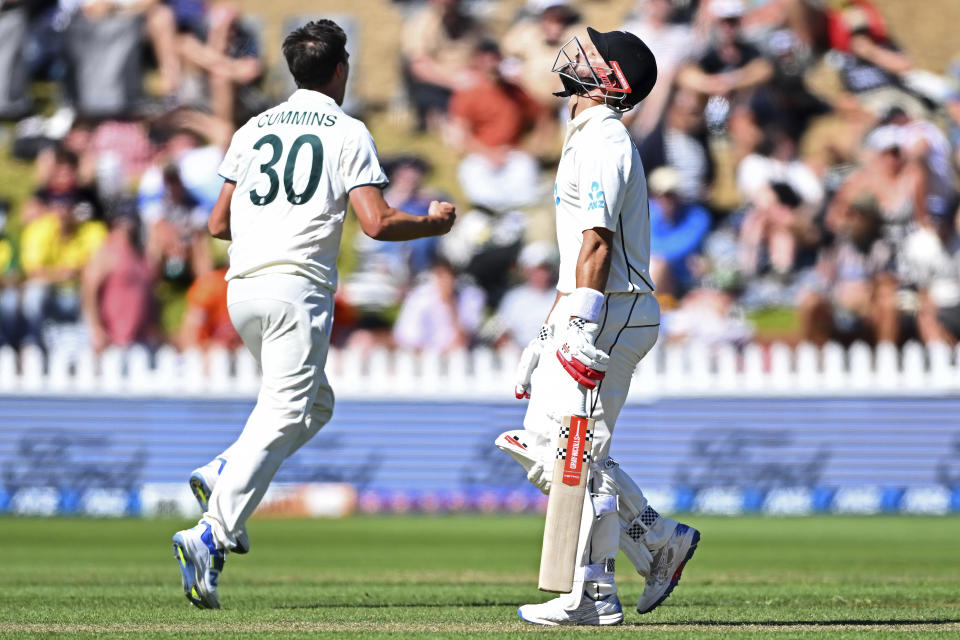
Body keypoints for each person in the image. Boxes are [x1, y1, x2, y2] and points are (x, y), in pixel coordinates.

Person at [170, 20, 456, 610]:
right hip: (295, 289)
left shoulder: (254, 127)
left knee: (312, 404)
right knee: (285, 409)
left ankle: (227, 466)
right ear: (340, 71)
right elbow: (376, 222)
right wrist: (432, 223)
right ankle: (211, 533)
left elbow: (217, 224)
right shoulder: (348, 131)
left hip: (242, 290)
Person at [495, 28, 699, 626]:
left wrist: (580, 327)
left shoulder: (606, 138)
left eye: (591, 55)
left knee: (572, 450)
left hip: (613, 310)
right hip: (592, 307)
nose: (573, 56)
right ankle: (656, 540)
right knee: (544, 445)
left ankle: (592, 593)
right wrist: (545, 335)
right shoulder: (584, 135)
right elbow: (573, 259)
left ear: (610, 80)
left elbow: (597, 241)